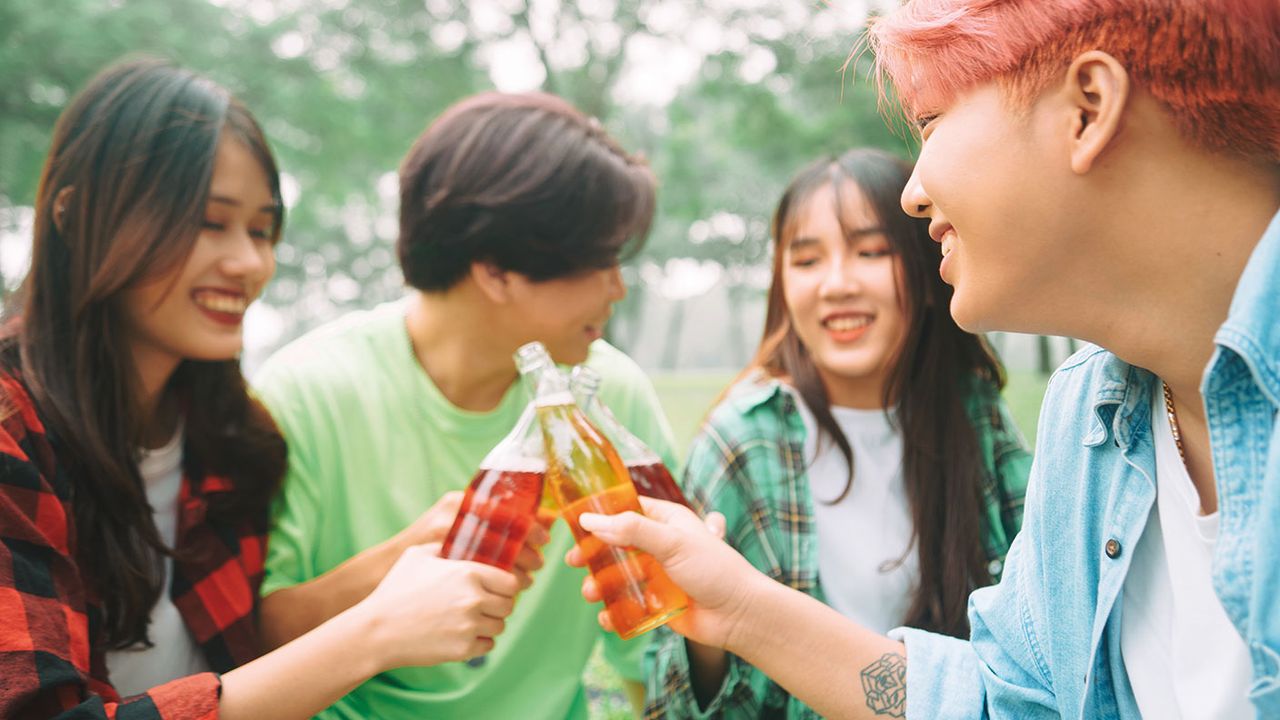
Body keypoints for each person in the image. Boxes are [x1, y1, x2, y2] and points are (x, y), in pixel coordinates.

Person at [568, 0, 1280, 718]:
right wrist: (740, 611)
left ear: (1087, 109)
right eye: (806, 258)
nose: (913, 193)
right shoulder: (1092, 412)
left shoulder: (990, 418)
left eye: (931, 122)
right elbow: (1008, 702)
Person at [0, 58, 525, 720]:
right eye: (209, 222)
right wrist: (372, 636)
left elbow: (252, 648)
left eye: (261, 229)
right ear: (74, 218)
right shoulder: (13, 432)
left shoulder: (232, 437)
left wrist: (401, 557)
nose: (249, 263)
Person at [251, 91, 678, 720]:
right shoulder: (308, 391)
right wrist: (395, 566)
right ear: (498, 270)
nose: (619, 287)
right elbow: (251, 641)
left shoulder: (608, 396)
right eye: (602, 260)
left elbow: (654, 645)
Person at [645, 148, 1030, 717]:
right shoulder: (742, 440)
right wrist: (708, 635)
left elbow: (1040, 632)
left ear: (929, 273)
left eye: (871, 251)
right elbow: (668, 696)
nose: (837, 284)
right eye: (806, 261)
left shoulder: (976, 416)